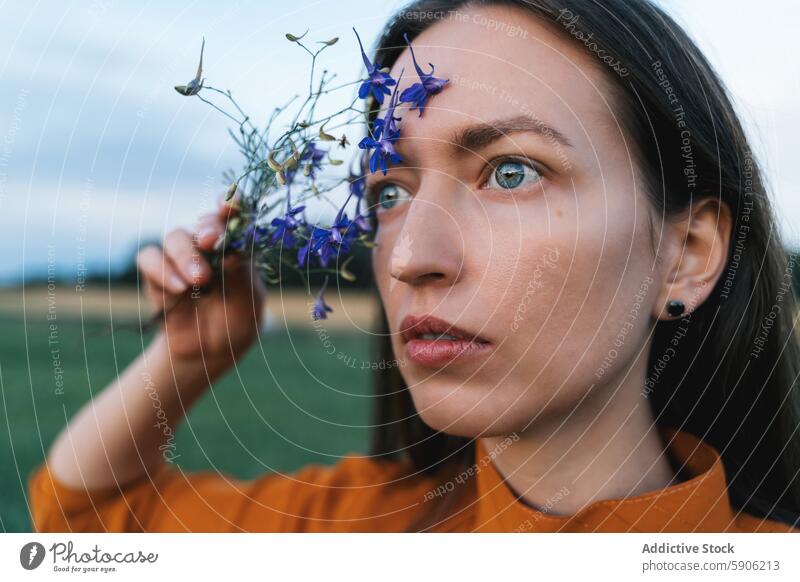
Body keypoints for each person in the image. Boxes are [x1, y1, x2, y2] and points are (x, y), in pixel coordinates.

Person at [29, 0, 800, 532]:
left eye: (510, 171)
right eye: (390, 190)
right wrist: (187, 358)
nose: (411, 259)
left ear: (688, 255)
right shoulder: (358, 529)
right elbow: (84, 527)